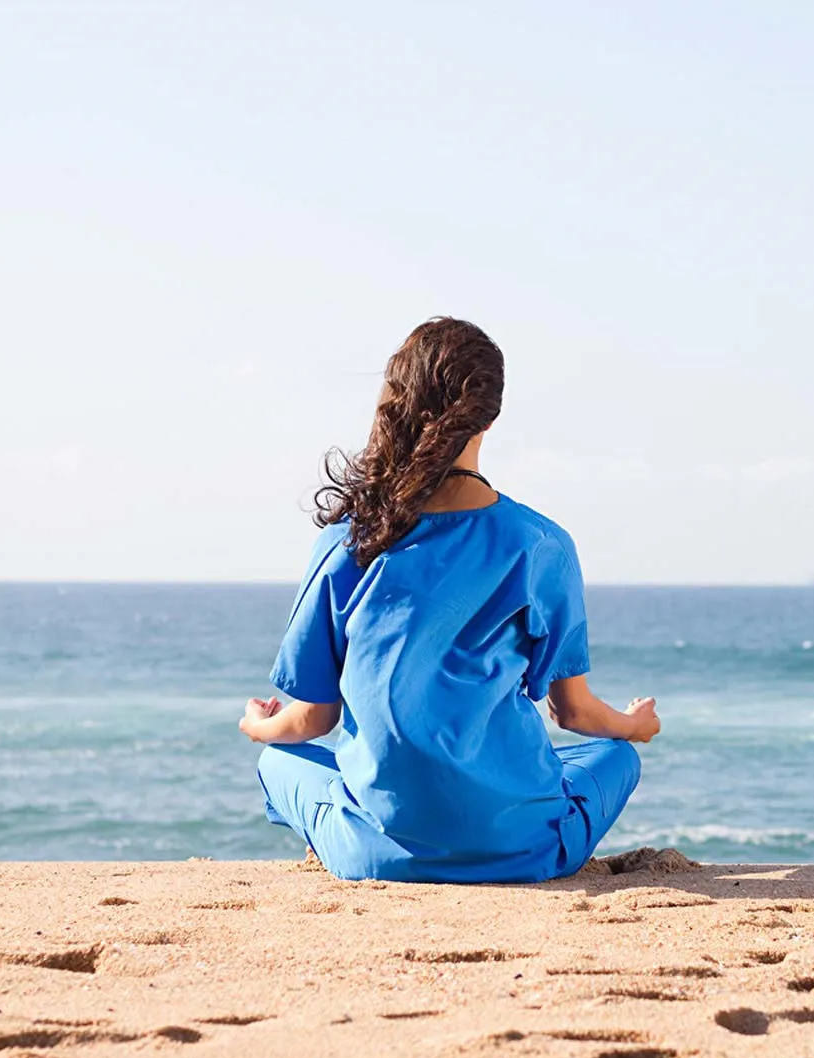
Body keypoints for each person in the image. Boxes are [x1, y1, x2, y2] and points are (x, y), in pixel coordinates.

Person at [239, 316, 659, 882]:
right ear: (491, 413)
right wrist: (634, 725)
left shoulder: (347, 543)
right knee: (616, 756)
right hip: (522, 852)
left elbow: (312, 719)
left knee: (278, 760)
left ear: (397, 403)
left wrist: (259, 726)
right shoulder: (541, 544)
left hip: (375, 856)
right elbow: (574, 713)